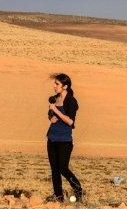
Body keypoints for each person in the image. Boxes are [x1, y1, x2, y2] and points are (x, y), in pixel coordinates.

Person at [46, 73, 84, 202]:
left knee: (62, 167)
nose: (54, 86)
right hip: (51, 138)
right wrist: (51, 117)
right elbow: (50, 115)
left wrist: (56, 111)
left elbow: (70, 121)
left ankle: (78, 191)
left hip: (64, 141)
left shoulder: (71, 101)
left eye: (57, 84)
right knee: (54, 169)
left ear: (65, 86)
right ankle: (58, 196)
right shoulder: (54, 99)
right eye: (54, 83)